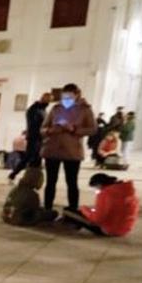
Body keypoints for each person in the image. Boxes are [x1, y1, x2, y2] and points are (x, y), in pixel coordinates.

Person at [40, 83, 96, 213]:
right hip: (52, 149)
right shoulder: (56, 108)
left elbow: (93, 129)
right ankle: (47, 207)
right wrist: (50, 130)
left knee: (71, 181)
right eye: (64, 97)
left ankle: (72, 208)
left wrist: (74, 129)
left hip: (72, 151)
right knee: (50, 181)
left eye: (70, 97)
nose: (66, 100)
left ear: (77, 96)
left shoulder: (85, 110)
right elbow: (43, 128)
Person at [61, 173, 138, 236]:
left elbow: (97, 219)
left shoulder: (105, 194)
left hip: (109, 230)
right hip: (125, 229)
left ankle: (66, 227)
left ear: (99, 184)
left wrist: (84, 209)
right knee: (84, 212)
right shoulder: (127, 191)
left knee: (69, 211)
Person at [22, 92, 51, 175]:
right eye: (48, 100)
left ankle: (34, 176)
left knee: (38, 157)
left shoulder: (43, 110)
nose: (48, 102)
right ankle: (13, 174)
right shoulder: (34, 109)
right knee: (29, 156)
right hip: (34, 137)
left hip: (40, 136)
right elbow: (33, 124)